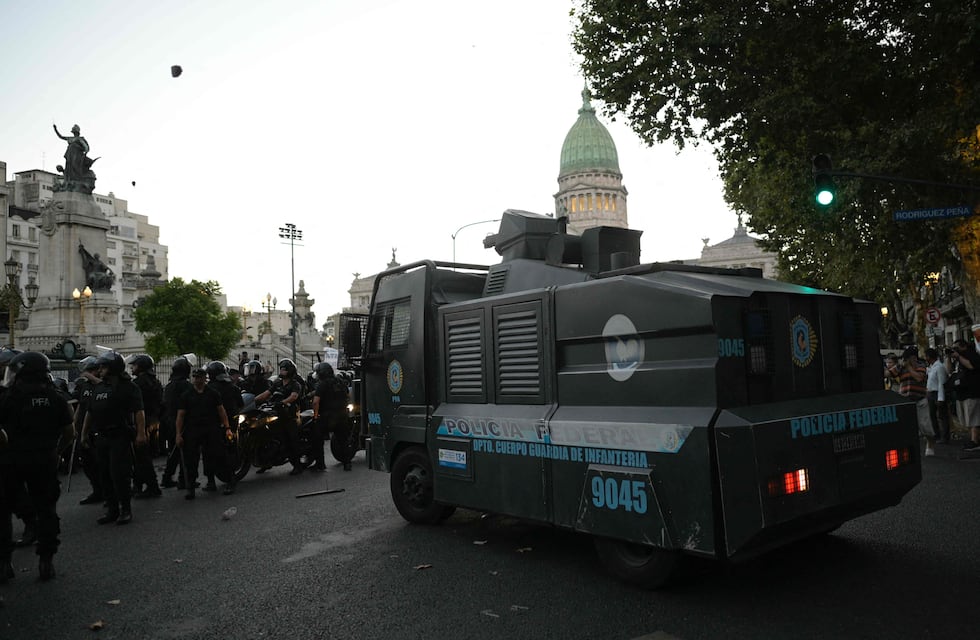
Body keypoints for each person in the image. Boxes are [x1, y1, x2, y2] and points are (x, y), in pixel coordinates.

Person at [0, 352, 75, 581]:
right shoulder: (56, 398)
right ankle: (46, 561)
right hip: (44, 460)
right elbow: (69, 433)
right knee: (47, 510)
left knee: (4, 512)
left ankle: (4, 563)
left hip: (11, 461)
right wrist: (56, 452)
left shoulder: (6, 398)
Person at [81, 352, 146, 525]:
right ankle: (112, 509)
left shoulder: (128, 387)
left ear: (112, 368)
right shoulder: (99, 387)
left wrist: (141, 433)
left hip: (120, 435)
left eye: (103, 367)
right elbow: (90, 411)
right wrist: (84, 433)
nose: (99, 370)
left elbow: (139, 411)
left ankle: (125, 509)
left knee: (119, 474)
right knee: (105, 474)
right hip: (101, 437)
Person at [175, 368, 231, 500]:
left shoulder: (213, 393)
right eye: (194, 377)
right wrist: (178, 434)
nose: (196, 379)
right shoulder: (186, 395)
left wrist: (227, 427)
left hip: (211, 429)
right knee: (191, 460)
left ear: (204, 378)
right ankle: (190, 488)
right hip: (193, 430)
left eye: (199, 377)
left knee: (217, 455)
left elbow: (221, 411)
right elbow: (180, 416)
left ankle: (225, 482)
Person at [255, 359, 305, 475]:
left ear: (290, 371)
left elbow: (294, 396)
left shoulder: (295, 384)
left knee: (291, 440)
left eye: (284, 369)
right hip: (277, 414)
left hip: (290, 415)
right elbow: (266, 394)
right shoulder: (277, 383)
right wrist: (253, 400)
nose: (282, 371)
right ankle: (266, 461)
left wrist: (283, 402)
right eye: (281, 369)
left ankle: (297, 465)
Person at [126, 355, 163, 499]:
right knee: (142, 456)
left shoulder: (137, 384)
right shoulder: (156, 382)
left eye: (134, 365)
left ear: (141, 367)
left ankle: (152, 486)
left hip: (142, 422)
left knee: (141, 457)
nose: (132, 368)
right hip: (154, 421)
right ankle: (138, 485)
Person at [205, 361, 243, 494]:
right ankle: (230, 481)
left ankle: (211, 482)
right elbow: (240, 404)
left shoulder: (209, 388)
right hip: (230, 425)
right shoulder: (233, 387)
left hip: (213, 425)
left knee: (208, 453)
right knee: (229, 452)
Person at [72, 356, 104, 505]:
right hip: (83, 428)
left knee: (101, 462)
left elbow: (104, 386)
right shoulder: (84, 386)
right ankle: (97, 490)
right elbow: (81, 405)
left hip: (98, 428)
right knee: (87, 463)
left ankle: (108, 491)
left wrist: (91, 376)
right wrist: (74, 423)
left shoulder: (103, 384)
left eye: (91, 370)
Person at [160, 357, 193, 489]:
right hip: (183, 422)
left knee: (173, 452)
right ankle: (183, 479)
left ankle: (168, 477)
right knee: (186, 452)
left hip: (169, 421)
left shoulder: (169, 386)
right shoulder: (186, 385)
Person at [312, 363, 351, 471]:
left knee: (317, 439)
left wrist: (315, 416)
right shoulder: (340, 382)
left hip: (327, 416)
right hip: (342, 415)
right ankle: (347, 463)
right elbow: (347, 396)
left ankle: (320, 464)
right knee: (343, 440)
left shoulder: (322, 384)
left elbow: (316, 402)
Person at [898, 347, 934, 456]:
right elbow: (888, 373)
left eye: (909, 358)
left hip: (920, 399)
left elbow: (919, 378)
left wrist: (909, 367)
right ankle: (909, 449)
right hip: (905, 400)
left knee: (925, 426)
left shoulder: (921, 366)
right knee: (906, 427)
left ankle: (930, 443)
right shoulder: (901, 367)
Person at [950, 338, 980, 451]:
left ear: (964, 346)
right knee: (967, 419)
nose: (955, 351)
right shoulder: (958, 359)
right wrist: (950, 357)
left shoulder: (973, 355)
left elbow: (971, 366)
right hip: (961, 393)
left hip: (972, 392)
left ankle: (975, 441)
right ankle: (974, 439)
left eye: (956, 348)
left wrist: (959, 356)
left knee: (974, 418)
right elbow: (949, 369)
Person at [924, 348, 950, 444]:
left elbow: (941, 383)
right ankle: (936, 434)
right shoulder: (931, 367)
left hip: (937, 393)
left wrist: (940, 398)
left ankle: (944, 436)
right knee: (932, 415)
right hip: (931, 393)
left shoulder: (939, 367)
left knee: (942, 416)